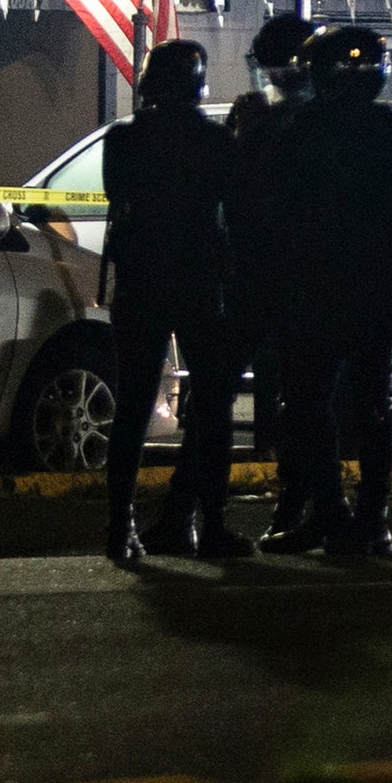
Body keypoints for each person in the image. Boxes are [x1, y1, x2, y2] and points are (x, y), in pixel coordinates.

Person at [98, 38, 248, 566]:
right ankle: (212, 524)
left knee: (134, 408)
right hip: (200, 281)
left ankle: (121, 525)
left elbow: (120, 196)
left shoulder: (123, 141)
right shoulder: (214, 141)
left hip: (141, 281)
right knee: (212, 405)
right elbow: (236, 208)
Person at [274, 25, 392, 556]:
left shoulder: (304, 128)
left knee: (312, 403)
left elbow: (281, 212)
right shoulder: (390, 131)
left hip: (320, 285)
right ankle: (369, 518)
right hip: (373, 286)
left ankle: (331, 510)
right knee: (367, 404)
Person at [227, 14, 310, 538]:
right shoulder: (335, 124)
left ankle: (196, 512)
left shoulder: (268, 127)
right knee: (310, 402)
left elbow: (235, 200)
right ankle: (320, 511)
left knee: (218, 391)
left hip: (262, 279)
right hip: (310, 282)